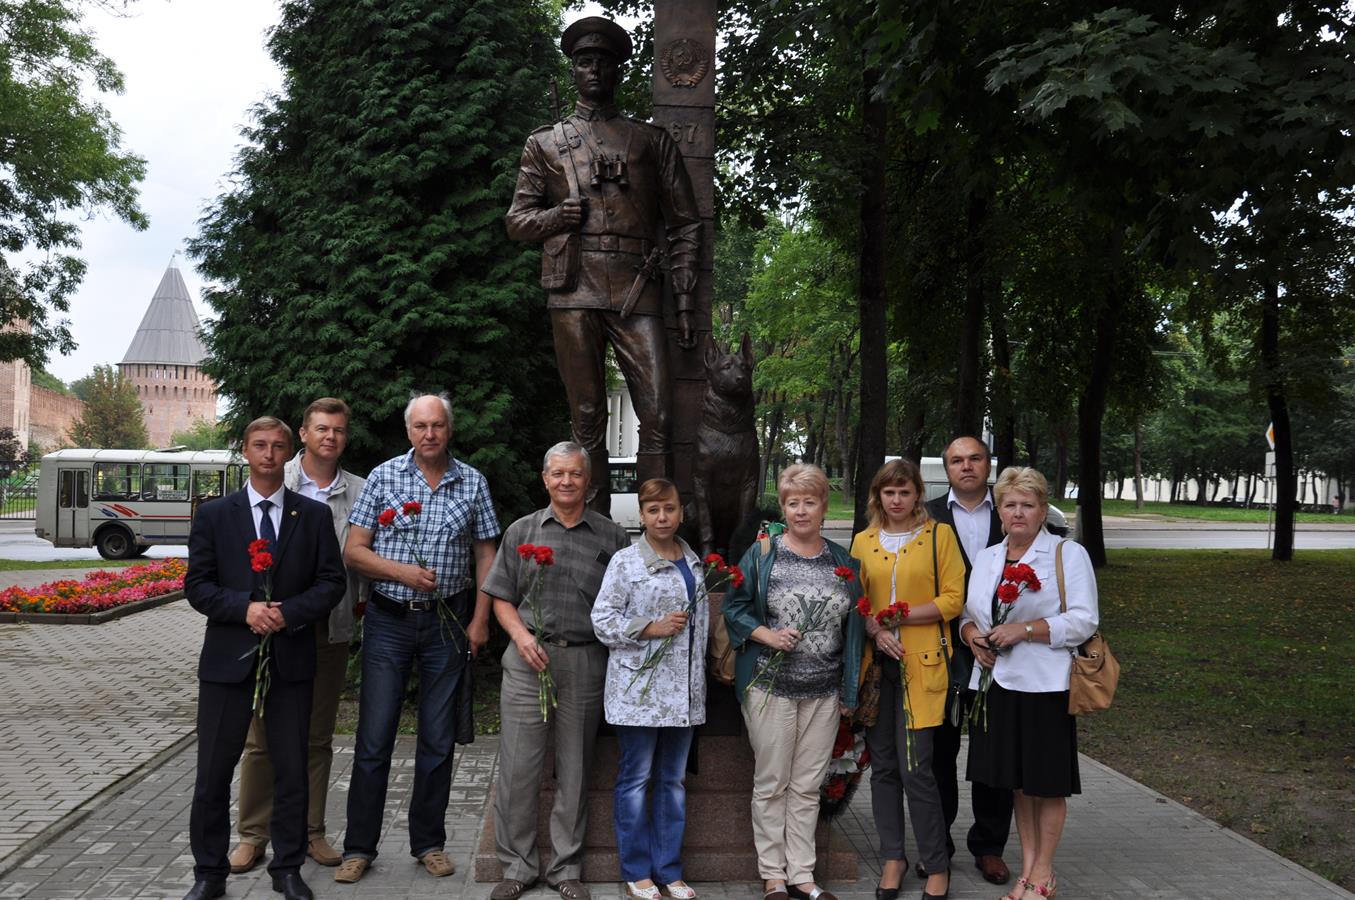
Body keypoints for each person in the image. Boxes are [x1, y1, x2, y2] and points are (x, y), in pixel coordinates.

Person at [505, 15, 701, 510]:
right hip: (573, 287)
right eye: (584, 61)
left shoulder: (651, 141)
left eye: (604, 62)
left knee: (657, 414)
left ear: (618, 71)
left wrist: (681, 298)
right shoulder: (545, 143)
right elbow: (517, 222)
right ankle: (590, 530)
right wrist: (558, 215)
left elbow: (685, 223)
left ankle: (658, 525)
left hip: (639, 287)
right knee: (587, 414)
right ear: (572, 71)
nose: (594, 70)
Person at [335, 393, 499, 884]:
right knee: (374, 737)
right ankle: (359, 848)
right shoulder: (385, 477)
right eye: (421, 426)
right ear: (409, 431)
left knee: (437, 740)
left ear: (450, 430)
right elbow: (353, 551)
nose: (430, 434)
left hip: (449, 622)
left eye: (438, 425)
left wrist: (481, 620)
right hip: (388, 620)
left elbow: (487, 555)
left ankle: (429, 843)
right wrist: (401, 572)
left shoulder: (472, 481)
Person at [183, 417, 346, 900]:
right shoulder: (215, 515)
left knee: (291, 768)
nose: (270, 454)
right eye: (260, 445)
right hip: (227, 663)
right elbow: (197, 585)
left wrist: (288, 613)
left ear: (288, 451)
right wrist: (245, 609)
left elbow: (332, 583)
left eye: (278, 446)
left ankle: (288, 868)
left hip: (292, 659)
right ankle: (209, 874)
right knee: (213, 771)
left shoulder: (311, 516)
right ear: (245, 451)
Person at [484, 441, 631, 900]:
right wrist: (521, 637)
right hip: (528, 659)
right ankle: (517, 866)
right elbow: (500, 595)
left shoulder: (612, 537)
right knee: (518, 768)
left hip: (586, 661)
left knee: (575, 768)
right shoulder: (522, 531)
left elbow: (626, 602)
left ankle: (566, 869)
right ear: (545, 479)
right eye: (557, 474)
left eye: (575, 474)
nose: (566, 482)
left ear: (589, 483)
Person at [229, 398, 366, 874]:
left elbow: (362, 557)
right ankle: (253, 834)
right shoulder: (275, 478)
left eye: (340, 431)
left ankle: (311, 832)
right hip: (268, 628)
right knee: (261, 738)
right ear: (303, 436)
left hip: (329, 626)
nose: (330, 437)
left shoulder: (362, 490)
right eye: (322, 429)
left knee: (316, 736)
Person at [723, 463, 864, 900]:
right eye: (792, 502)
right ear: (783, 507)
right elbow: (735, 606)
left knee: (807, 785)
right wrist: (767, 634)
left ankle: (803, 875)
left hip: (823, 691)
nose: (801, 510)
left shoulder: (845, 562)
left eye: (810, 501)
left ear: (824, 507)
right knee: (772, 783)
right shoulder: (764, 554)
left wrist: (849, 691)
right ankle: (773, 875)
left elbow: (854, 632)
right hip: (771, 687)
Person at [959, 467, 1099, 900]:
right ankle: (1029, 869)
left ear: (1042, 510)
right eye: (1010, 504)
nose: (1018, 513)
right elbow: (970, 614)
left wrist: (1027, 630)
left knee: (1047, 782)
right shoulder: (988, 557)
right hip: (995, 684)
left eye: (1028, 504)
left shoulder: (1066, 554)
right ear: (999, 510)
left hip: (1045, 686)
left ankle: (1044, 872)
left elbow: (1084, 620)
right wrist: (972, 637)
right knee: (1017, 783)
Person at [851, 459, 965, 900]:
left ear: (918, 494)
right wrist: (878, 631)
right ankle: (893, 858)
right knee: (883, 769)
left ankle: (936, 865)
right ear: (877, 496)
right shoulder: (862, 542)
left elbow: (953, 599)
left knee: (918, 769)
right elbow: (857, 602)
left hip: (924, 665)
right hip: (878, 667)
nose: (896, 500)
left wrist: (899, 616)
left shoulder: (939, 536)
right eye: (888, 492)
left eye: (904, 492)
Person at [590, 478, 706, 900]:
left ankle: (669, 870)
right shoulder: (625, 563)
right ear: (641, 515)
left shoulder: (693, 562)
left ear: (681, 512)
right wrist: (649, 628)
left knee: (673, 782)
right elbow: (601, 621)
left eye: (669, 509)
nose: (662, 517)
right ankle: (637, 871)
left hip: (683, 696)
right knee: (636, 780)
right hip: (639, 694)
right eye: (653, 510)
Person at [924, 435, 1015, 886]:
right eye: (957, 460)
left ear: (988, 464)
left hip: (1005, 653)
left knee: (993, 751)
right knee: (940, 751)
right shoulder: (929, 516)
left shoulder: (1012, 512)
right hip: (943, 649)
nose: (966, 467)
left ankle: (990, 846)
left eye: (975, 458)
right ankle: (937, 842)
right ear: (947, 469)